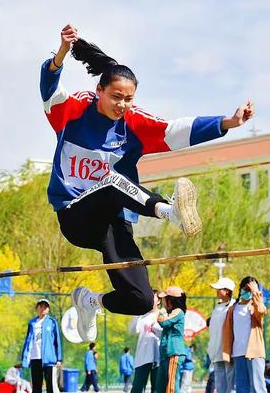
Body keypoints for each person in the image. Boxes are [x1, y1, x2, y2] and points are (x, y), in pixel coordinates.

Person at [40, 25, 254, 341]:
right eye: (116, 97)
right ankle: (171, 213)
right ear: (99, 91)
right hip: (75, 214)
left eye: (128, 99)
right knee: (112, 182)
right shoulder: (72, 111)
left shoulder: (133, 123)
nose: (122, 105)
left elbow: (175, 130)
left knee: (140, 300)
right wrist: (60, 54)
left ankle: (89, 302)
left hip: (112, 222)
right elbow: (49, 90)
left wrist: (227, 123)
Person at [222, 276, 267, 393]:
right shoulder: (233, 309)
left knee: (258, 388)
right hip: (238, 353)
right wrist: (227, 353)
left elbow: (261, 311)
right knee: (242, 389)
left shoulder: (255, 307)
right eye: (246, 288)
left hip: (254, 353)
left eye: (251, 289)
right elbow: (227, 332)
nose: (248, 292)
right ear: (241, 289)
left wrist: (256, 292)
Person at [21, 299, 62, 393]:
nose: (43, 308)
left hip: (49, 359)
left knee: (50, 386)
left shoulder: (52, 322)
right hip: (35, 358)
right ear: (37, 308)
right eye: (41, 306)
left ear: (48, 309)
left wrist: (59, 358)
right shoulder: (32, 323)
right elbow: (27, 341)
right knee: (36, 386)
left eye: (46, 306)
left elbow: (57, 341)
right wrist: (25, 357)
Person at [155, 287, 187, 393]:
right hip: (165, 353)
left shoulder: (178, 312)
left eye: (164, 299)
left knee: (171, 386)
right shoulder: (171, 313)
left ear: (171, 299)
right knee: (160, 385)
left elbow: (164, 322)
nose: (162, 301)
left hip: (174, 352)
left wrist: (159, 312)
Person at [207, 277, 236, 393]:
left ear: (228, 291)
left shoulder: (233, 306)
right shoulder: (217, 308)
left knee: (231, 385)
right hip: (216, 352)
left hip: (229, 352)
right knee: (220, 387)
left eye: (220, 289)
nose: (217, 291)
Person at [130, 291, 162, 393]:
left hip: (159, 357)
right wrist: (138, 314)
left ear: (159, 301)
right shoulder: (142, 316)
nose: (150, 300)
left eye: (153, 297)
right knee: (137, 387)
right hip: (143, 356)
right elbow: (132, 330)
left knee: (157, 388)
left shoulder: (164, 314)